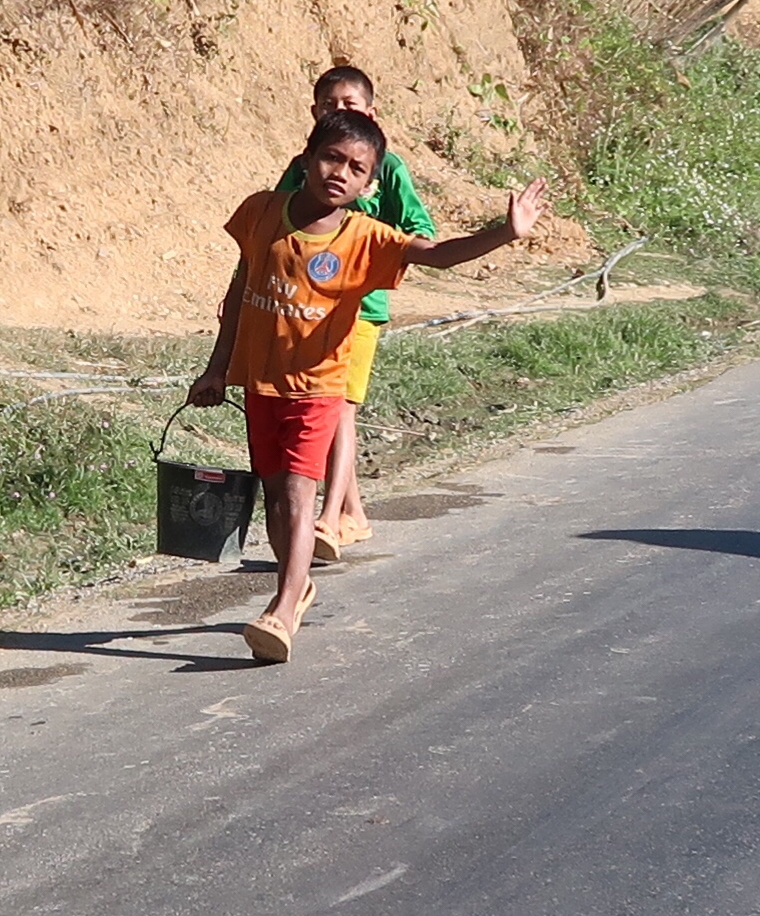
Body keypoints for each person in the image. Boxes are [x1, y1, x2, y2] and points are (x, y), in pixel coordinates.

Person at [192, 112, 543, 664]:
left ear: (369, 184)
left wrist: (504, 234)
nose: (341, 173)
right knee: (275, 499)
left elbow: (434, 255)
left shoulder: (366, 238)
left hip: (319, 387)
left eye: (358, 169)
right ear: (306, 158)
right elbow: (239, 290)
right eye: (333, 158)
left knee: (295, 495)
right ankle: (298, 582)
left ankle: (283, 610)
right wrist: (217, 367)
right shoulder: (261, 213)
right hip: (261, 383)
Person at [272, 64, 432, 558]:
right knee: (324, 407)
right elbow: (272, 226)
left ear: (372, 111)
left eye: (351, 105)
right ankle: (352, 513)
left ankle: (327, 517)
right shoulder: (305, 167)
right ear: (314, 112)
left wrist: (385, 249)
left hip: (362, 305)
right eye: (329, 105)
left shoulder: (389, 168)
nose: (340, 112)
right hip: (308, 307)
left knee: (340, 406)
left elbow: (419, 228)